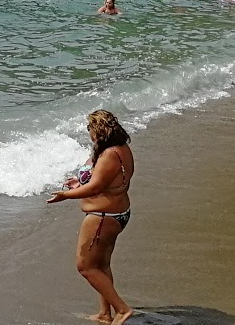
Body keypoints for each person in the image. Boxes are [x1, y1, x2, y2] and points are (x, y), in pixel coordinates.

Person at [47, 109, 135, 325]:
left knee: (85, 266)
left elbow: (95, 186)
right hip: (115, 214)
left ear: (99, 132)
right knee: (102, 265)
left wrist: (65, 195)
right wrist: (79, 183)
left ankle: (122, 310)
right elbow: (103, 182)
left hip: (103, 217)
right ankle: (105, 314)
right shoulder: (120, 148)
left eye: (91, 130)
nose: (90, 134)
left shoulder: (109, 155)